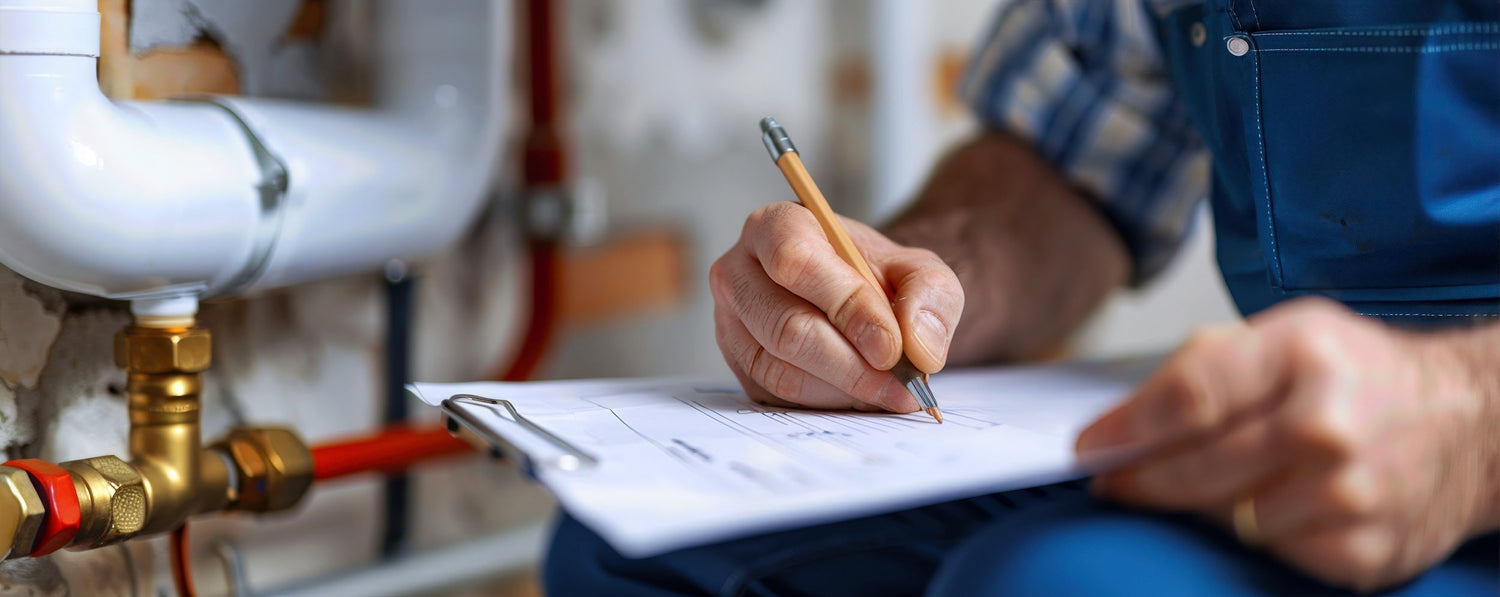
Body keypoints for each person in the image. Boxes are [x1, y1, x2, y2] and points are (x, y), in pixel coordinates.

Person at [545, 0, 1500, 594]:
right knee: (623, 546)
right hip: (1292, 453)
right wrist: (924, 273)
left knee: (1048, 585)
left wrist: (1466, 425)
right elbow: (1070, 161)